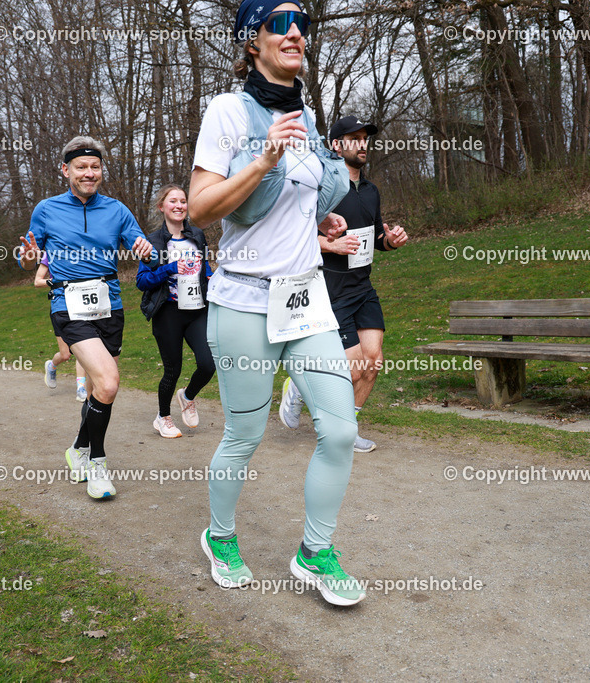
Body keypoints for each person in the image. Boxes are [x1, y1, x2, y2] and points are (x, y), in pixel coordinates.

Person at [188, 0, 365, 606]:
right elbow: (202, 209)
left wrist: (322, 221)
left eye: (303, 25)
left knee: (339, 431)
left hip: (306, 296)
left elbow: (295, 203)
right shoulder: (227, 112)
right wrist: (262, 159)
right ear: (251, 40)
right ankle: (221, 536)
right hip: (243, 298)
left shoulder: (310, 119)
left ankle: (315, 553)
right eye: (278, 24)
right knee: (245, 433)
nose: (296, 33)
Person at [18, 135, 152, 499]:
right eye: (81, 167)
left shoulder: (117, 209)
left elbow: (143, 247)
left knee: (97, 389)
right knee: (108, 382)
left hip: (109, 305)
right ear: (66, 170)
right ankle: (97, 464)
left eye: (94, 167)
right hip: (68, 303)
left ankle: (77, 448)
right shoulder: (46, 209)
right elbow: (26, 257)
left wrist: (145, 249)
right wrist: (29, 256)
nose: (89, 173)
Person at [279, 116, 409, 452]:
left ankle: (347, 430)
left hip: (363, 288)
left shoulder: (371, 190)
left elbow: (375, 235)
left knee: (374, 360)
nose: (362, 144)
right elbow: (294, 235)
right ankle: (298, 385)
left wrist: (390, 240)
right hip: (329, 288)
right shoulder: (322, 188)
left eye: (365, 138)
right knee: (352, 369)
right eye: (354, 138)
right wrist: (330, 245)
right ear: (336, 145)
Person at [136, 184, 215, 438]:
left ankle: (187, 396)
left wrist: (211, 278)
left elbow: (205, 269)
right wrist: (170, 268)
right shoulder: (153, 241)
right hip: (168, 312)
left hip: (197, 310)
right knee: (173, 369)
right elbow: (142, 281)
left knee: (208, 363)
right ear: (162, 207)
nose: (179, 205)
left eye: (183, 201)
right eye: (173, 201)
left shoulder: (197, 236)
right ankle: (163, 417)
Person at [35, 254, 87, 401]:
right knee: (65, 355)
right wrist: (59, 281)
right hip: (60, 307)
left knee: (82, 349)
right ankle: (52, 365)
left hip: (81, 304)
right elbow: (38, 281)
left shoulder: (80, 251)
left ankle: (81, 388)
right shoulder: (50, 254)